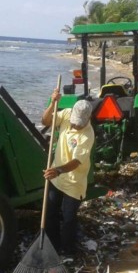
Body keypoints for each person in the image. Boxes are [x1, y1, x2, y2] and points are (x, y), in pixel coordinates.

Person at [41, 88, 94, 257]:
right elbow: (45, 121)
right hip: (57, 178)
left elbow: (76, 162)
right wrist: (52, 103)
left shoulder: (87, 135)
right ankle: (52, 247)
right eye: (74, 121)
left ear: (87, 120)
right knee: (50, 214)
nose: (75, 125)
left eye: (79, 123)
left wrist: (58, 170)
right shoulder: (66, 114)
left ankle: (68, 251)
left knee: (69, 219)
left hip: (74, 181)